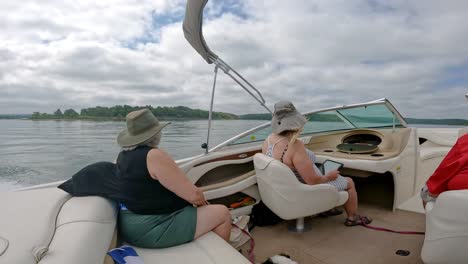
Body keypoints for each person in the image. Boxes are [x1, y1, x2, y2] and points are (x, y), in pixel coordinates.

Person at [116, 108, 231, 248]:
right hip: (149, 227)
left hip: (130, 221)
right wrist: (203, 205)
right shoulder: (154, 155)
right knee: (222, 213)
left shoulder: (123, 156)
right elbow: (195, 195)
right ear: (156, 134)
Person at [262, 101, 372, 226]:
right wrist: (330, 177)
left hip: (287, 188)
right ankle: (353, 217)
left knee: (323, 171)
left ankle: (325, 209)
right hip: (305, 190)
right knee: (349, 182)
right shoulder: (295, 146)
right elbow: (312, 181)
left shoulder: (269, 140)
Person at [420, 133, 468, 208]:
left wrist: (428, 190)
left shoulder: (465, 141)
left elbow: (447, 169)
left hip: (458, 203)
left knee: (428, 194)